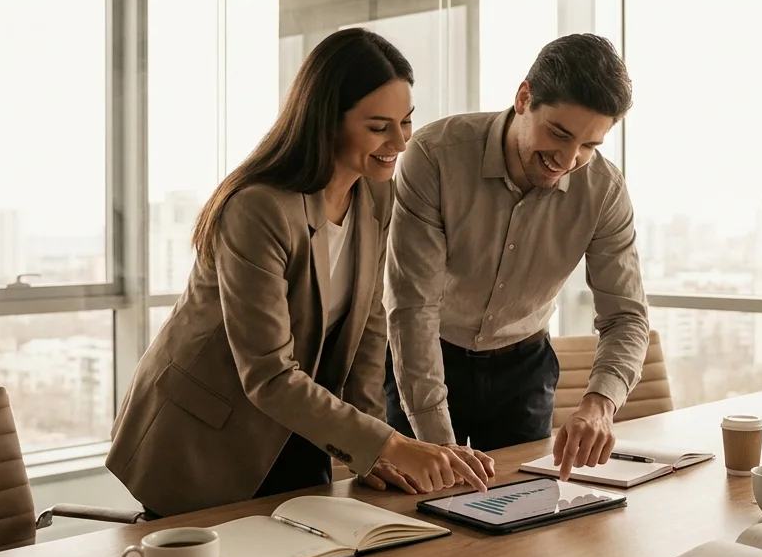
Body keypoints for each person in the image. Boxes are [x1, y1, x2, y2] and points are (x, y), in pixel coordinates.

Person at [107, 28, 491, 519]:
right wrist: (389, 444)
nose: (400, 141)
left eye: (406, 122)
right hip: (204, 438)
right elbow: (267, 372)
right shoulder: (259, 208)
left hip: (298, 428)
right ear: (327, 122)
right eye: (379, 127)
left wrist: (371, 457)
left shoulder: (379, 201)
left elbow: (368, 344)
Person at [384, 33, 649, 481]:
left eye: (589, 146)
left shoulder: (604, 190)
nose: (567, 159)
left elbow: (626, 317)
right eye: (559, 134)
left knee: (523, 518)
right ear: (524, 97)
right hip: (426, 357)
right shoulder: (434, 156)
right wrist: (441, 446)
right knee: (419, 510)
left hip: (524, 370)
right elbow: (414, 311)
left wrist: (599, 404)